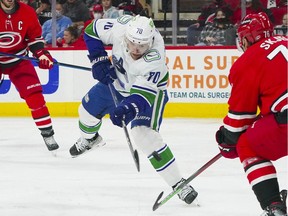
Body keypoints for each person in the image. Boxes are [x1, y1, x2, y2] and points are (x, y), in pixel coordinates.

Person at [69, 14, 199, 205]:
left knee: (143, 135)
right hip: (118, 82)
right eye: (132, 43)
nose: (136, 49)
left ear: (151, 41)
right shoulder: (121, 27)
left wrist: (126, 109)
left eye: (142, 46)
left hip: (149, 93)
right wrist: (98, 59)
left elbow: (142, 97)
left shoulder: (155, 58)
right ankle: (90, 139)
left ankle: (178, 183)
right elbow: (92, 30)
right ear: (125, 37)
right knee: (86, 111)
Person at [215, 12, 287, 216]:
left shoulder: (248, 60)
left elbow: (239, 118)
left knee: (247, 144)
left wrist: (228, 139)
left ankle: (274, 207)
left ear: (247, 38)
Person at [0, 0, 59, 152]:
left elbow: (34, 39)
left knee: (35, 97)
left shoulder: (27, 12)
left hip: (18, 60)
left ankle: (48, 134)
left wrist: (41, 53)